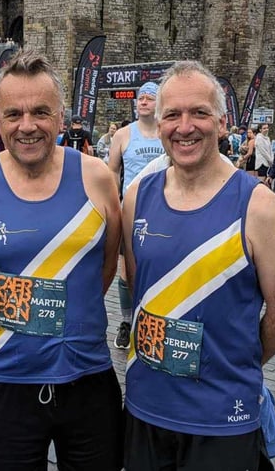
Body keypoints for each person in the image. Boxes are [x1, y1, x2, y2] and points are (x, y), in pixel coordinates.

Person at [0, 49, 123, 470]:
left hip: (89, 379)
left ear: (61, 118)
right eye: (14, 114)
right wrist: (12, 326)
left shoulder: (96, 176)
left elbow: (107, 267)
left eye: (41, 112)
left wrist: (67, 321)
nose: (27, 126)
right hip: (6, 380)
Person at [121, 60, 275, 471]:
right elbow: (136, 283)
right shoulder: (137, 198)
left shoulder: (260, 205)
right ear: (159, 122)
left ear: (222, 123)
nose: (185, 126)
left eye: (199, 113)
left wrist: (229, 361)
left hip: (221, 416)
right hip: (145, 407)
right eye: (173, 115)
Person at [107, 81, 165, 349]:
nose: (143, 102)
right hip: (130, 211)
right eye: (140, 98)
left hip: (163, 210)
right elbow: (112, 173)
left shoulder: (166, 133)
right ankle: (127, 321)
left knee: (159, 266)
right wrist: (112, 205)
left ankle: (154, 318)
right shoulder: (123, 135)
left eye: (149, 98)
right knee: (126, 270)